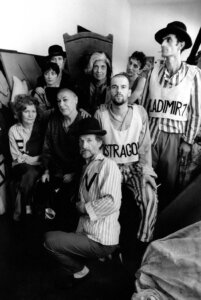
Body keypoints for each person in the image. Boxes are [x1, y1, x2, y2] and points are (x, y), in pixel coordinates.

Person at [44, 117, 122, 287]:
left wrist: (84, 207)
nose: (84, 145)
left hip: (100, 240)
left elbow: (112, 202)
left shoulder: (108, 165)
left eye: (89, 140)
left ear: (100, 142)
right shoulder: (87, 166)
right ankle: (101, 256)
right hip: (88, 231)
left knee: (49, 241)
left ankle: (80, 270)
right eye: (81, 141)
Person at [141, 21, 201, 211]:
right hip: (151, 135)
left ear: (180, 45)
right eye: (162, 40)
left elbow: (196, 111)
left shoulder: (193, 74)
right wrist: (141, 136)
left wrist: (188, 141)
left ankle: (162, 226)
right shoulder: (152, 72)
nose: (162, 44)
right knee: (145, 181)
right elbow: (143, 107)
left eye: (168, 40)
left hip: (174, 138)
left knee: (168, 185)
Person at [95, 73, 158, 251]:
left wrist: (146, 171)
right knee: (103, 199)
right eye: (114, 87)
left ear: (129, 91)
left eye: (123, 87)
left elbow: (145, 147)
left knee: (150, 196)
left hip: (134, 166)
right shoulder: (101, 114)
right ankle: (104, 243)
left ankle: (143, 242)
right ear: (109, 90)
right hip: (110, 166)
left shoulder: (140, 112)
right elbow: (96, 149)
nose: (118, 91)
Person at [40, 88, 85, 230]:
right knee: (43, 195)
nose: (61, 104)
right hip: (56, 170)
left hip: (78, 174)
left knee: (68, 202)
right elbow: (46, 149)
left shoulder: (85, 121)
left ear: (76, 99)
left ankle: (64, 238)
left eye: (65, 100)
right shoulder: (53, 121)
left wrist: (75, 174)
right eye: (58, 101)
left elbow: (90, 157)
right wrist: (46, 170)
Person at [8, 95, 47, 219]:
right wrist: (28, 160)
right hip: (19, 166)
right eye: (26, 111)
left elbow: (47, 153)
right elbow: (16, 156)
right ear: (20, 113)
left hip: (39, 164)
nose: (31, 115)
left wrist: (34, 159)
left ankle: (24, 210)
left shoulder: (41, 129)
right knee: (28, 172)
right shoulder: (13, 130)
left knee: (30, 174)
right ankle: (27, 210)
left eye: (33, 111)